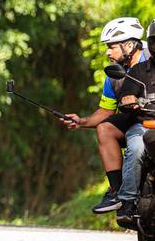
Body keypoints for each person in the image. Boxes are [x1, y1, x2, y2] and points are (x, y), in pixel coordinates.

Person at [60, 17, 148, 213]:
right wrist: (81, 121)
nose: (108, 52)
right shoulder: (114, 75)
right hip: (135, 121)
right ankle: (117, 192)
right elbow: (106, 111)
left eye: (112, 46)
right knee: (104, 128)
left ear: (129, 45)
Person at [116, 14, 155, 222]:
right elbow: (125, 95)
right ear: (152, 43)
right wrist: (128, 99)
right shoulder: (138, 71)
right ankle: (127, 202)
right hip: (147, 125)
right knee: (136, 148)